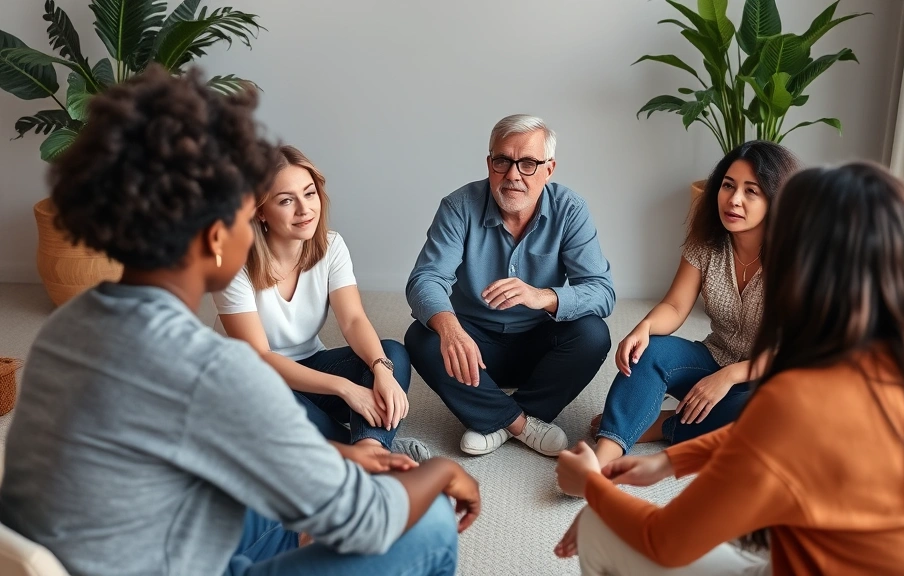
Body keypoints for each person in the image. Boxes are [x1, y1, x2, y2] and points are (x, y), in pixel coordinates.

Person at [0, 66, 480, 576]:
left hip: (131, 546)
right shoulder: (217, 370)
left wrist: (336, 462)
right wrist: (443, 472)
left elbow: (180, 447)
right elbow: (370, 520)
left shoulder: (65, 329)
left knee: (272, 494)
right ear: (214, 236)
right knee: (425, 518)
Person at [553, 162, 904, 575]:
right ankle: (657, 433)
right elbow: (794, 438)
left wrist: (591, 487)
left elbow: (665, 541)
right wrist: (671, 463)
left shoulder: (799, 398)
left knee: (601, 528)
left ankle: (661, 431)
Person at [405, 114, 615, 457]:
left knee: (593, 335)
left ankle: (493, 420)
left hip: (540, 346)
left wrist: (542, 296)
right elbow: (425, 279)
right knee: (422, 336)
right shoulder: (459, 207)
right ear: (490, 163)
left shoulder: (571, 210)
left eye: (529, 163)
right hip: (475, 348)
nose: (513, 174)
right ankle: (521, 425)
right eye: (503, 161)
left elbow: (602, 291)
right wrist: (451, 329)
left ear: (549, 169)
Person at [215, 145, 428, 463]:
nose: (304, 210)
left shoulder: (331, 246)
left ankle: (366, 450)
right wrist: (345, 388)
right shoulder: (232, 266)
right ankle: (370, 449)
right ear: (259, 210)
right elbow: (260, 358)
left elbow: (354, 320)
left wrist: (380, 370)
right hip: (248, 383)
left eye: (309, 193)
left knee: (391, 353)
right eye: (286, 200)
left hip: (310, 367)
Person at [592, 141, 798, 467]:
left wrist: (731, 376)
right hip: (713, 358)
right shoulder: (707, 242)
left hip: (770, 378)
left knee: (781, 416)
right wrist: (644, 327)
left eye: (751, 191)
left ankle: (666, 425)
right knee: (648, 351)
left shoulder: (798, 259)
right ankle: (601, 459)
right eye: (728, 186)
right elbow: (674, 306)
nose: (734, 200)